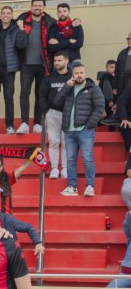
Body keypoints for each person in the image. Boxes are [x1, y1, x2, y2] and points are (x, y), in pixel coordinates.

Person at [57, 61, 104, 196]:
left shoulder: (93, 88)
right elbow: (56, 102)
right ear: (72, 75)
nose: (79, 75)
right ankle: (72, 187)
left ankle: (90, 186)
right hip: (69, 131)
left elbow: (99, 107)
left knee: (87, 159)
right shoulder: (69, 88)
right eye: (76, 73)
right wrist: (67, 86)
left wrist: (89, 125)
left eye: (81, 73)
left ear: (85, 73)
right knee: (70, 160)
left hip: (85, 131)